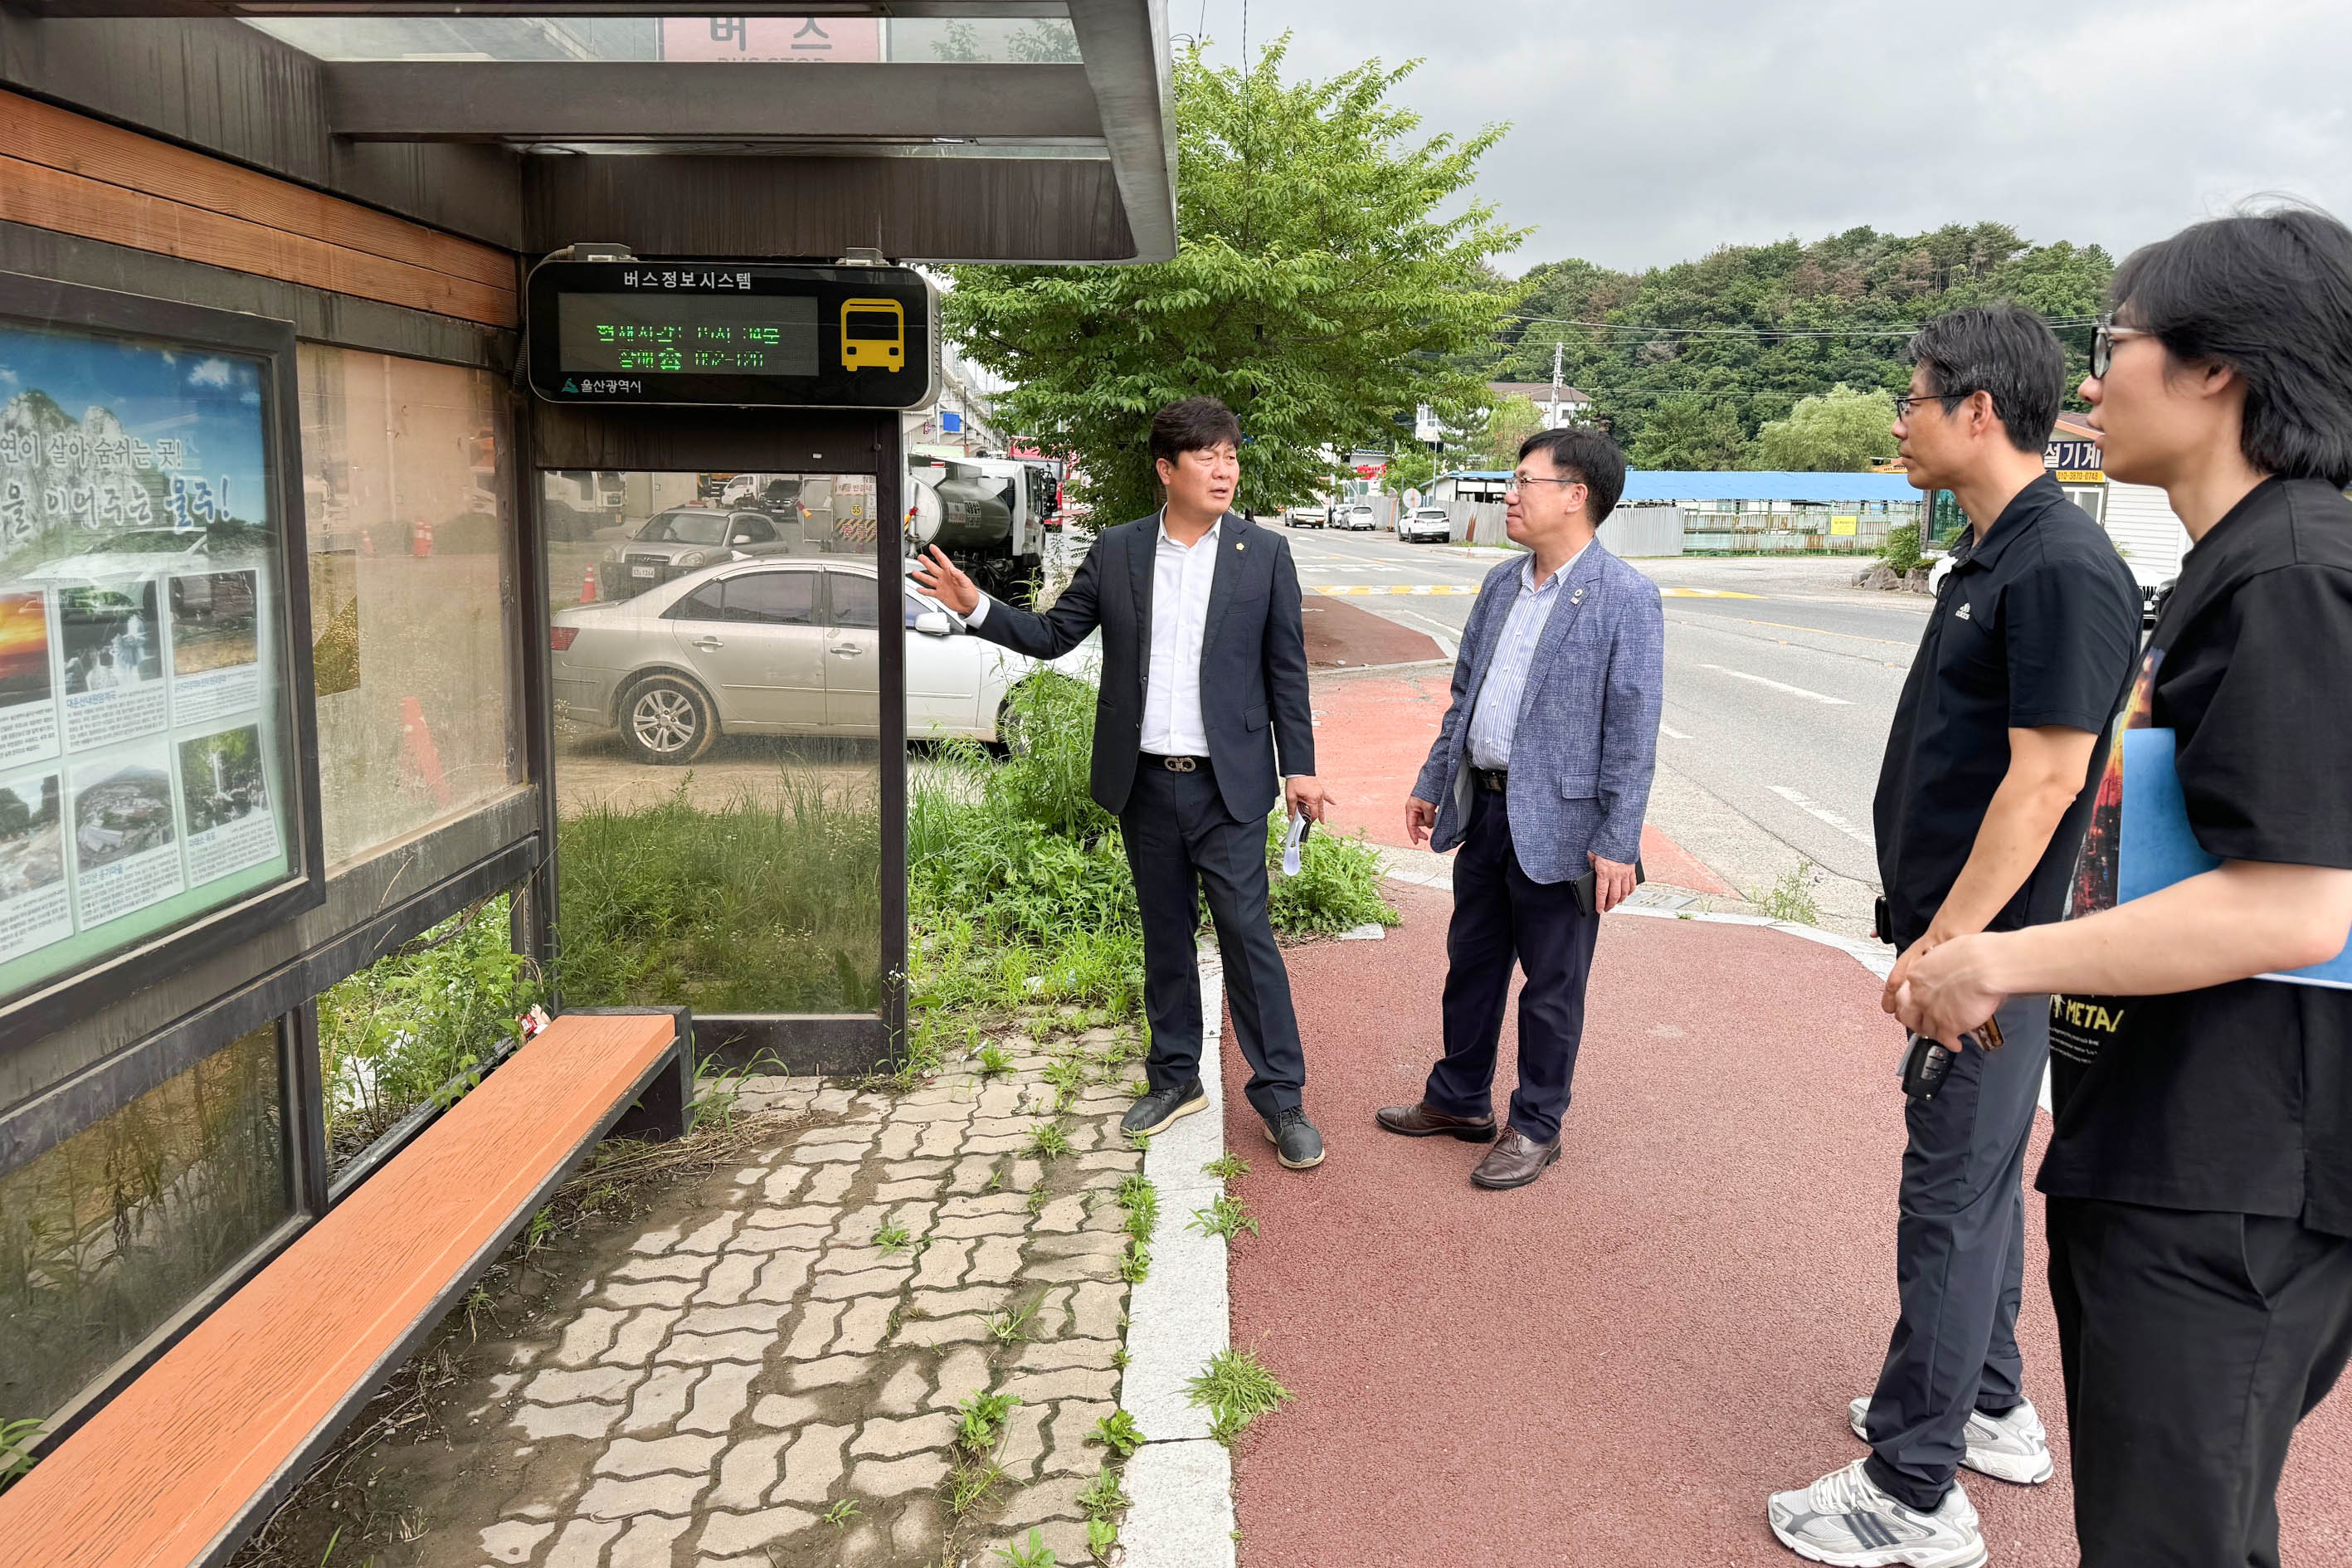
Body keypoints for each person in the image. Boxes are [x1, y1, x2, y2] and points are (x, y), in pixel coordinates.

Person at [1895, 207, 2352, 1568]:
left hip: (2231, 1179)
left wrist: (1997, 957)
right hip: (2179, 1148)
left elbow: (2298, 901)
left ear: (2220, 369)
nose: (2092, 382)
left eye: (2117, 344)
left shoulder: (2294, 574)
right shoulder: (2240, 565)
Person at [1767, 305, 2141, 1568]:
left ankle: (1910, 1489)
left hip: (1994, 955)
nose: (1895, 415)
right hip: (1975, 947)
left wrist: (1945, 948)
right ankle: (1988, 1404)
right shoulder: (1995, 551)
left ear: (1976, 409)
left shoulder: (2057, 567)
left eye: (1911, 395)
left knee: (1946, 1203)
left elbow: (2043, 782)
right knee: (1969, 1188)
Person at [910, 397, 1333, 1169]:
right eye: (1206, 456)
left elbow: (1285, 668)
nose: (1224, 468)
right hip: (1144, 784)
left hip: (1228, 788)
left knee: (1249, 941)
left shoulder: (1262, 554)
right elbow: (1052, 634)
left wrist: (1298, 766)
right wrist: (977, 608)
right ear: (1166, 470)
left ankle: (1280, 1098)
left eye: (1231, 455)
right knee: (1164, 939)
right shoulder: (1120, 550)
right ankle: (1176, 1080)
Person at [1381, 426, 1663, 1190]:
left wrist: (1617, 840)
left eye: (1522, 481)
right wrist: (1433, 780)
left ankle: (1537, 1124)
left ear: (1575, 496)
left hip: (1566, 831)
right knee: (1469, 966)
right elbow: (1465, 697)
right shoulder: (1502, 583)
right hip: (1487, 812)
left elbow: (1633, 731)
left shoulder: (1624, 597)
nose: (1508, 495)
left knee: (1551, 989)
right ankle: (1458, 1100)